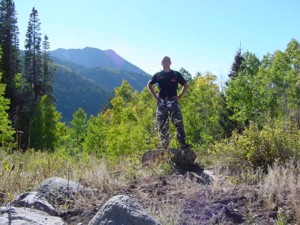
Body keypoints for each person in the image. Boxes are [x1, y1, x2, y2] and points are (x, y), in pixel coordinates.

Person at [147, 56, 191, 150]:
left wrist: (180, 96)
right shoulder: (158, 75)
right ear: (161, 63)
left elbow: (185, 85)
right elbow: (149, 84)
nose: (166, 63)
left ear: (170, 63)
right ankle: (164, 145)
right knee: (162, 125)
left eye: (167, 61)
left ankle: (182, 144)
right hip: (161, 102)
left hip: (173, 102)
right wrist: (155, 97)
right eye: (164, 61)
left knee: (178, 123)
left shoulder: (175, 74)